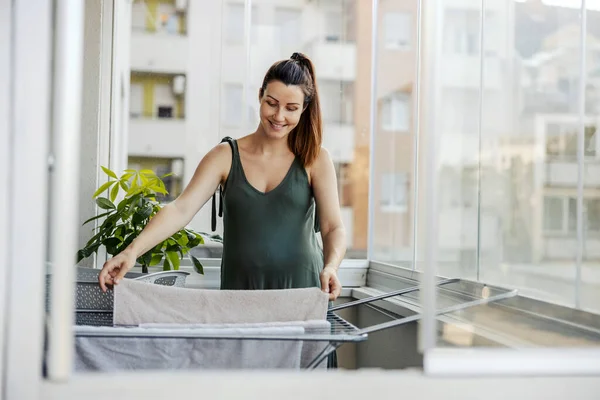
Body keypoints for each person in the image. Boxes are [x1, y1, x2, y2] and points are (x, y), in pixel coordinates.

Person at [98, 52, 346, 303]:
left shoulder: (315, 159)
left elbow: (332, 227)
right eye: (272, 103)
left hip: (302, 293)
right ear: (260, 95)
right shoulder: (225, 156)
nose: (279, 116)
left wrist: (331, 267)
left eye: (291, 108)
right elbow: (180, 209)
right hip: (239, 295)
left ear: (304, 108)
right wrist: (131, 252)